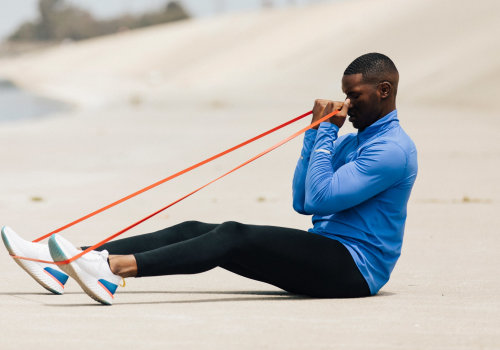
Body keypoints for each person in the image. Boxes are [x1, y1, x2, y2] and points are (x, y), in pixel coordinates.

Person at [1, 53, 418, 305]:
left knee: (233, 233)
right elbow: (302, 200)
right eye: (344, 94)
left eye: (355, 96)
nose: (347, 104)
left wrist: (326, 132)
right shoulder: (353, 141)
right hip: (328, 252)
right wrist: (314, 136)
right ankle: (65, 263)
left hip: (355, 270)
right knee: (195, 228)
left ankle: (112, 270)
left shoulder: (392, 149)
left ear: (384, 90)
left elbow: (321, 199)